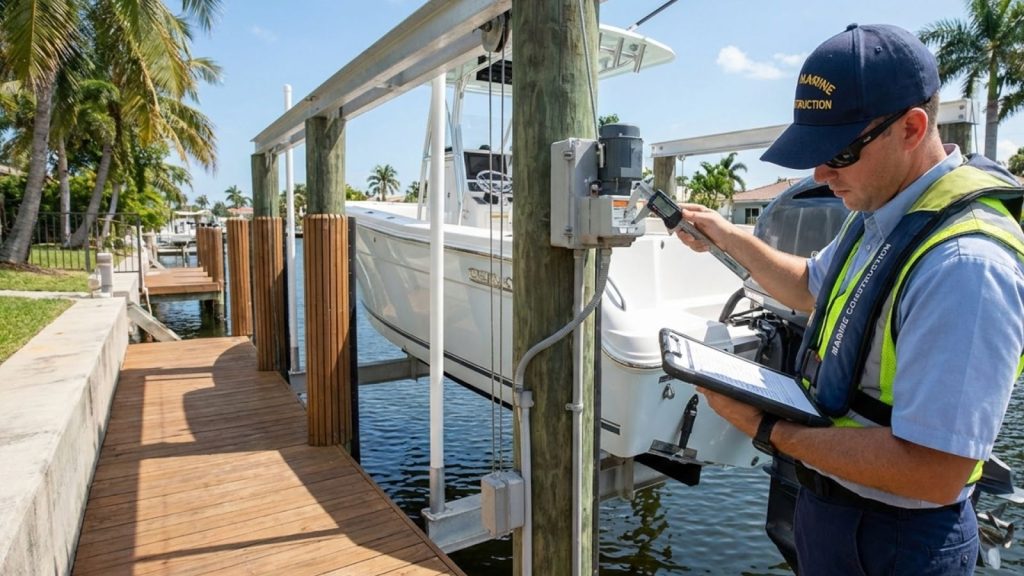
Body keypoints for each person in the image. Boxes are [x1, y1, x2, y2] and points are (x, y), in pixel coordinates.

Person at [677, 24, 1024, 575]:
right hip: (834, 509)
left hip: (898, 542)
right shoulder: (881, 213)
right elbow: (812, 287)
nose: (819, 174)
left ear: (911, 128)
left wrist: (765, 428)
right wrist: (727, 233)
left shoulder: (967, 268)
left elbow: (936, 471)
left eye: (838, 152)